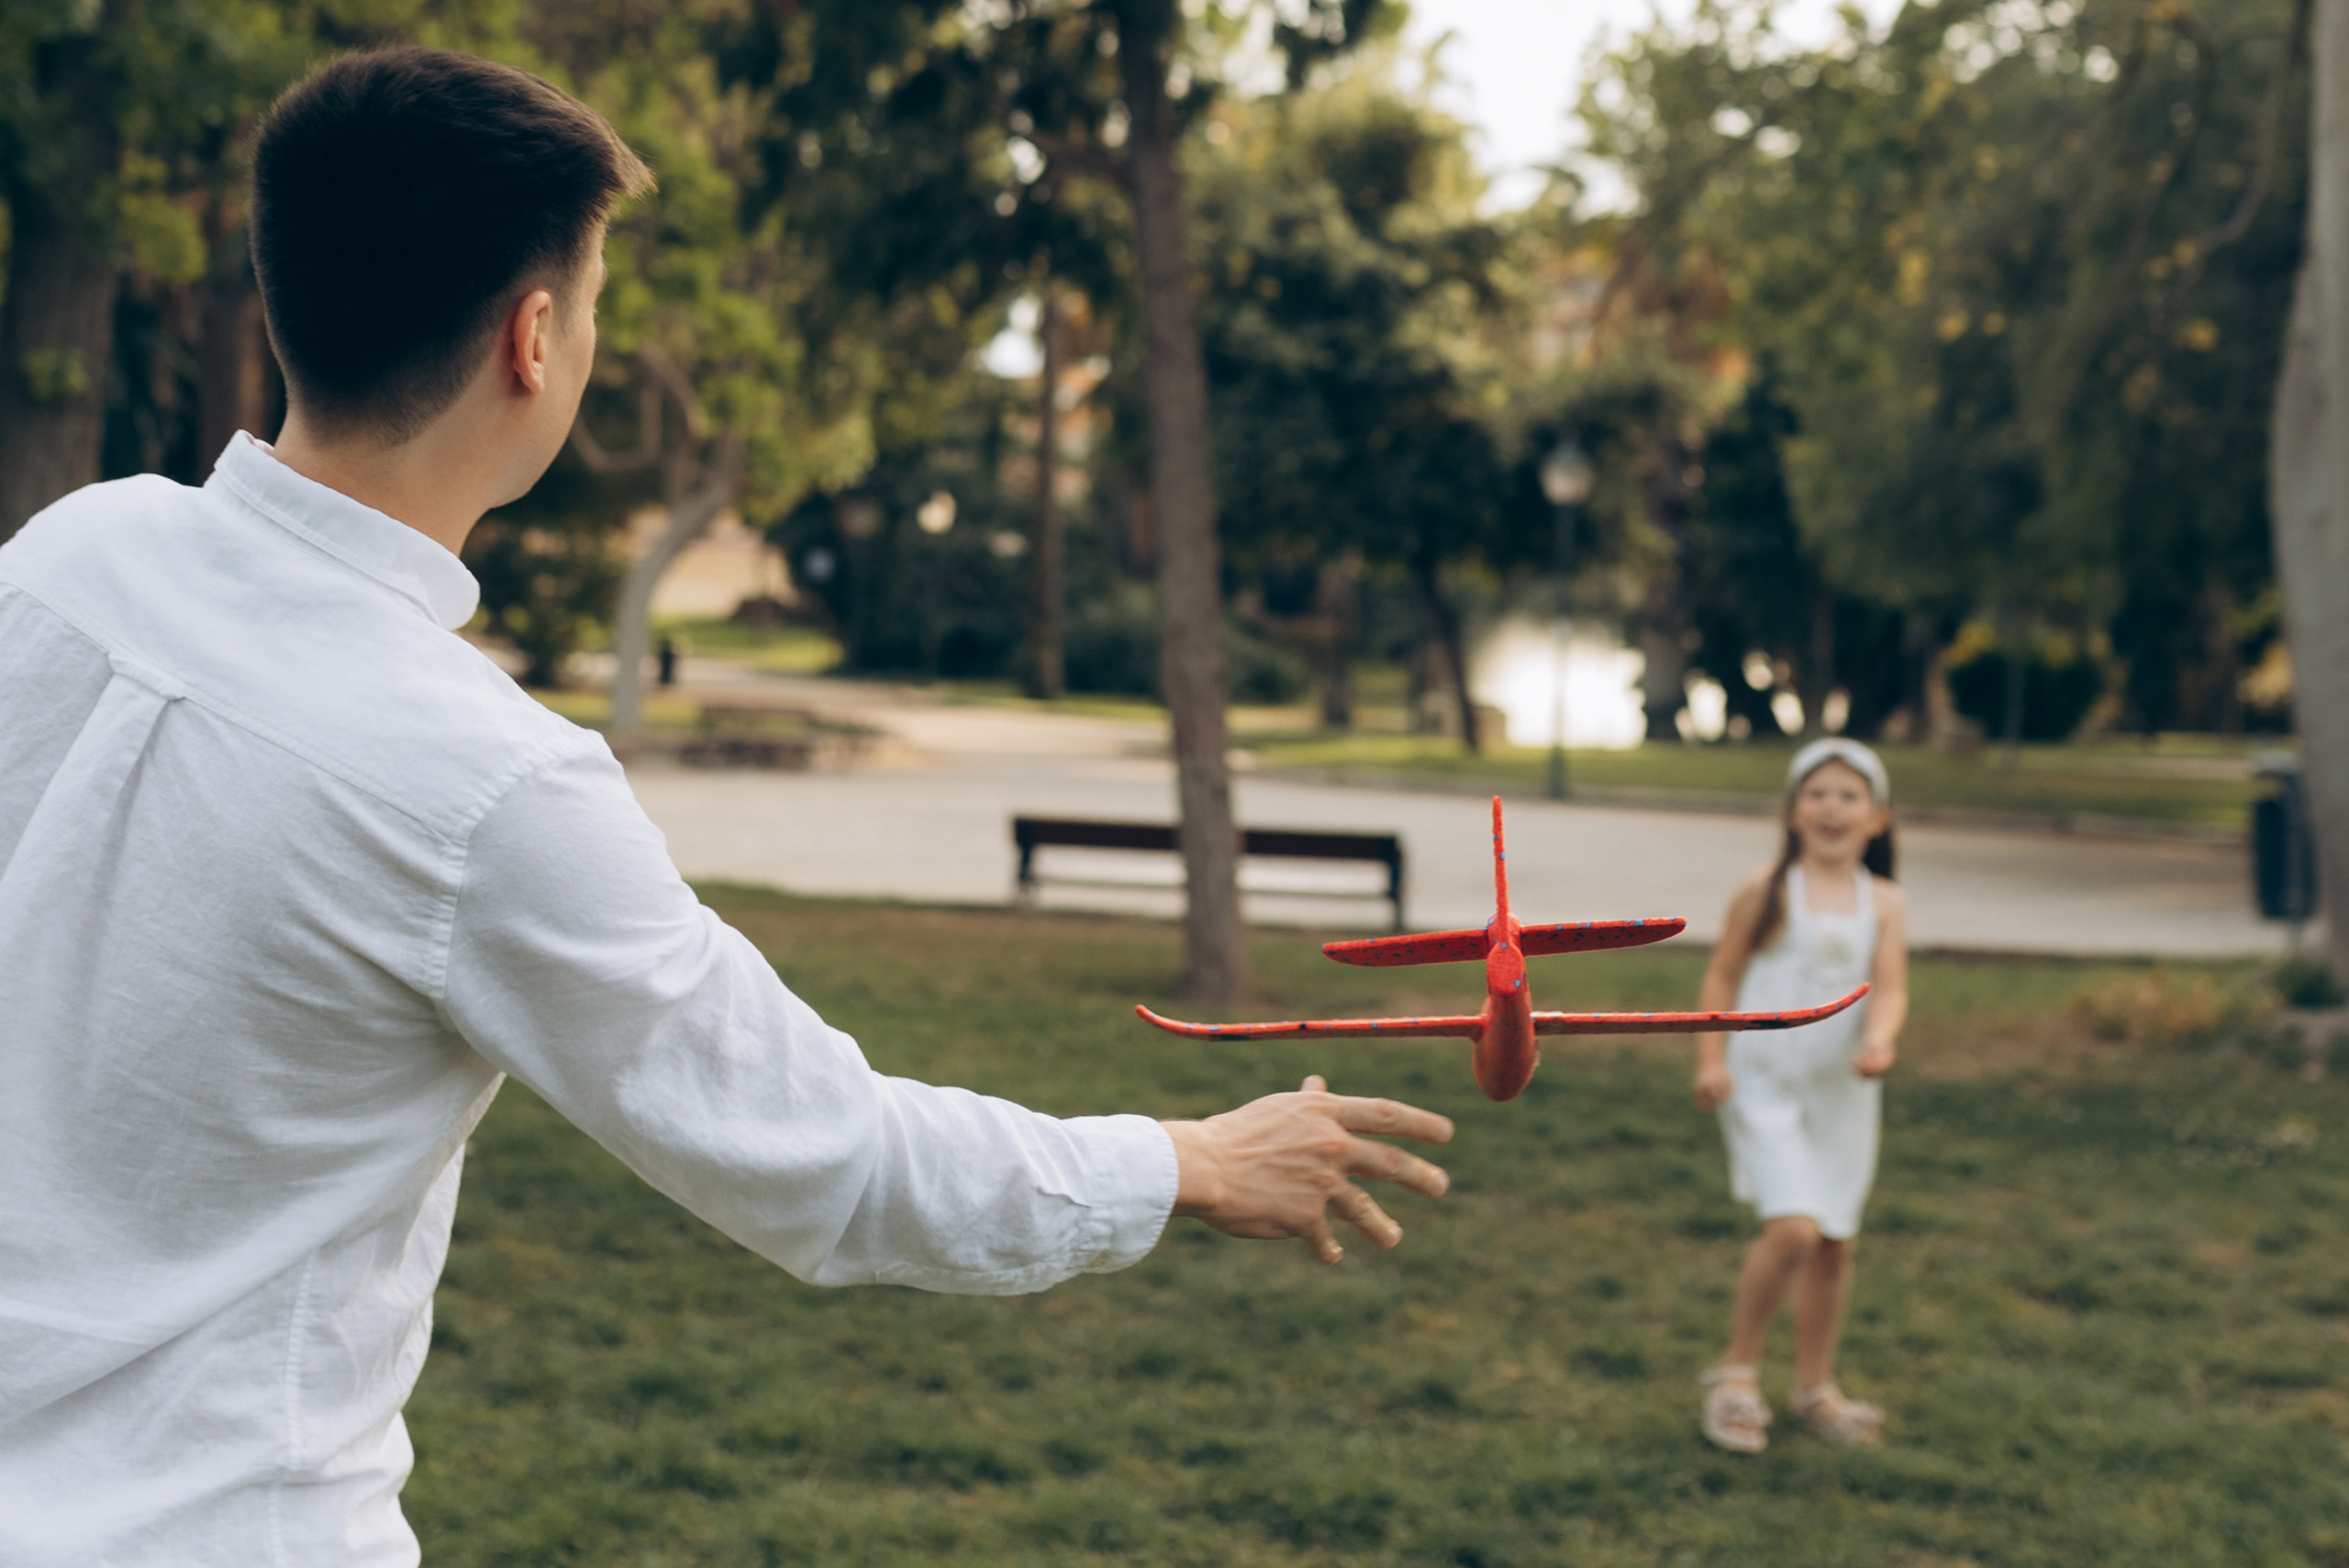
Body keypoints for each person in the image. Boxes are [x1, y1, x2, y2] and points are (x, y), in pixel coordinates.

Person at [0, 48, 1453, 1563]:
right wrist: (1185, 1160)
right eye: (595, 308)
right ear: (533, 338)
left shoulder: (69, 554)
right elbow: (830, 1161)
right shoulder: (482, 783)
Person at [1688, 739, 1909, 1453]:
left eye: (1848, 795)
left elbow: (1891, 988)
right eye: (1816, 793)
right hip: (1763, 1081)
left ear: (1877, 817)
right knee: (1795, 1229)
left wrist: (1880, 1040)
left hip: (1841, 1093)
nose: (1831, 807)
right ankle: (1735, 1376)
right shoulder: (1765, 890)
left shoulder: (1885, 902)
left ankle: (1815, 1387)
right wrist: (1710, 1058)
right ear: (1792, 811)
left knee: (1835, 1242)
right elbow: (1722, 976)